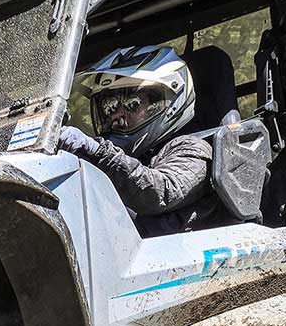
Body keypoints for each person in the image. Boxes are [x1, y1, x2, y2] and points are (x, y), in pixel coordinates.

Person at [57, 45, 217, 231]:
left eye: (131, 103)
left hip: (180, 253)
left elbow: (161, 192)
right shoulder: (126, 164)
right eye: (109, 107)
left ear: (168, 100)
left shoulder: (191, 148)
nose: (115, 116)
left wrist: (97, 152)